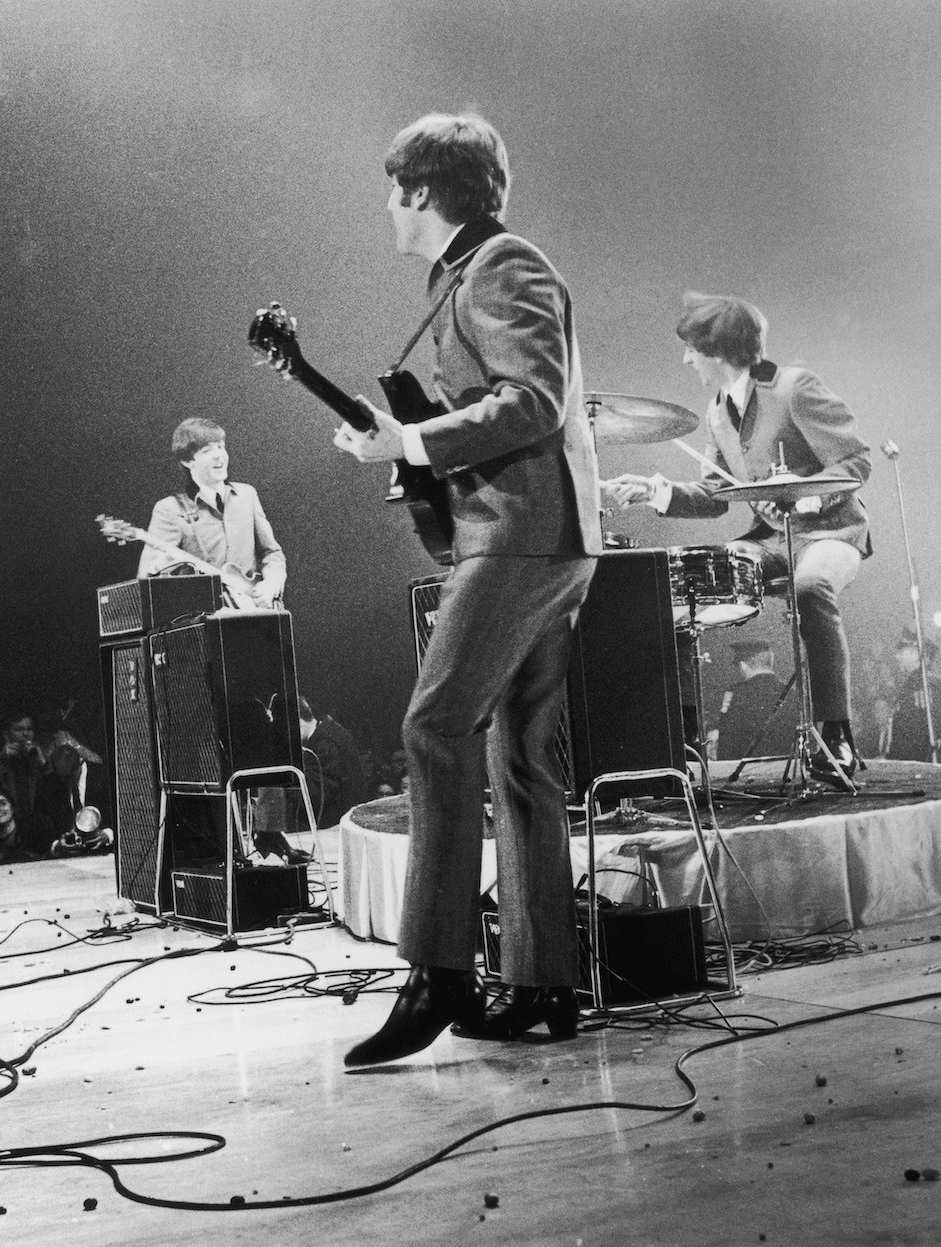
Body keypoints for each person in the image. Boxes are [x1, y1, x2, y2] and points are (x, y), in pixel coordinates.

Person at [330, 113, 603, 1064]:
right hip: (535, 531)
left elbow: (536, 398)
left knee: (432, 726)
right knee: (521, 754)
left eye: (389, 188)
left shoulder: (501, 264)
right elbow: (490, 405)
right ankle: (541, 984)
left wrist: (414, 441)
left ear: (419, 190)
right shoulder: (459, 274)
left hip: (520, 535)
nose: (384, 206)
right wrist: (402, 444)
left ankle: (438, 969)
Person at [605, 293, 871, 784]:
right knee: (680, 586)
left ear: (717, 349)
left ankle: (835, 735)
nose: (687, 360)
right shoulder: (718, 412)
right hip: (770, 540)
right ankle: (680, 744)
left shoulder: (793, 387)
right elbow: (715, 493)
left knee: (811, 586)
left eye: (691, 349)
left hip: (830, 530)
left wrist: (805, 501)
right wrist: (653, 491)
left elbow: (856, 463)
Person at [137, 417, 287, 609]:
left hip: (256, 611)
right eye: (207, 451)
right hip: (207, 619)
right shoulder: (170, 510)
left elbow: (271, 552)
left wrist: (272, 583)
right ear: (187, 460)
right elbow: (146, 579)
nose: (219, 456)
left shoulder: (246, 495)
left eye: (220, 446)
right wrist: (159, 567)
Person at [711, 640, 797, 761]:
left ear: (743, 665)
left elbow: (727, 739)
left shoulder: (736, 693)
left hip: (743, 770)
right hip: (782, 769)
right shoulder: (791, 693)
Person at [887, 627, 941, 763]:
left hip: (923, 766)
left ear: (915, 654)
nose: (897, 657)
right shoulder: (913, 684)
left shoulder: (925, 685)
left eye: (902, 652)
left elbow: (923, 734)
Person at [299, 698, 368, 828]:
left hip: (336, 825)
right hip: (345, 820)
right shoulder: (331, 732)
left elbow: (320, 795)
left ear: (299, 721)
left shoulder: (325, 743)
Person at [0, 714, 49, 835]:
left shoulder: (40, 762)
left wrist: (43, 763)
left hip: (37, 829)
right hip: (8, 831)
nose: (26, 734)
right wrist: (2, 760)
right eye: (19, 729)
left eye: (29, 729)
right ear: (7, 735)